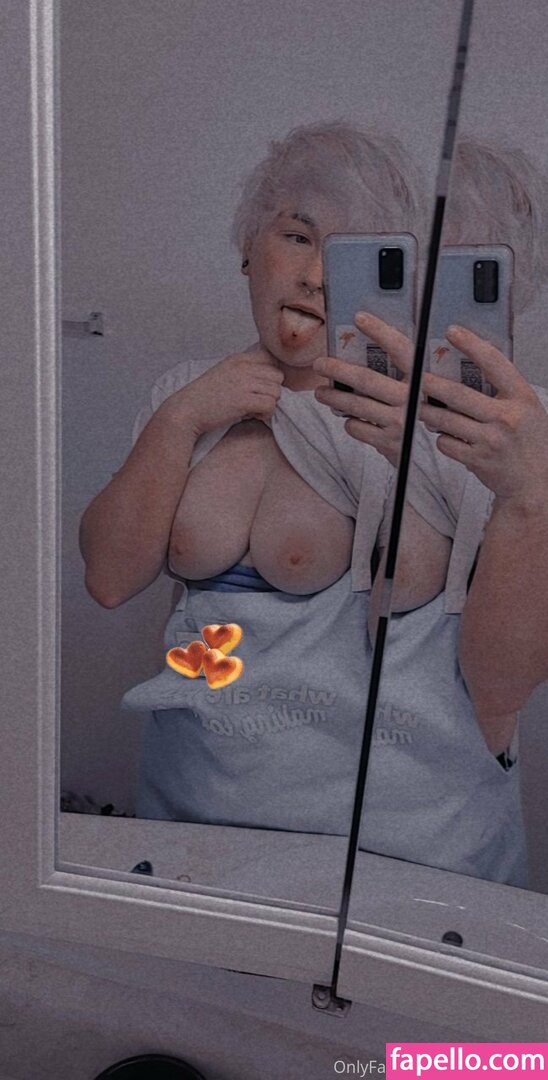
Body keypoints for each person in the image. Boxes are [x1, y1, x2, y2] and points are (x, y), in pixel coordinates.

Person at [80, 121, 425, 839]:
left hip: (338, 820)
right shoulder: (186, 391)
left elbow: (421, 642)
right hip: (185, 790)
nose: (316, 275)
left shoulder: (388, 421)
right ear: (248, 247)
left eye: (350, 253)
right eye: (298, 236)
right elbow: (109, 579)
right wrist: (181, 418)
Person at [312, 138, 548, 875]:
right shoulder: (305, 405)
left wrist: (529, 498)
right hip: (265, 825)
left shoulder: (532, 436)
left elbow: (503, 687)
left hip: (448, 846)